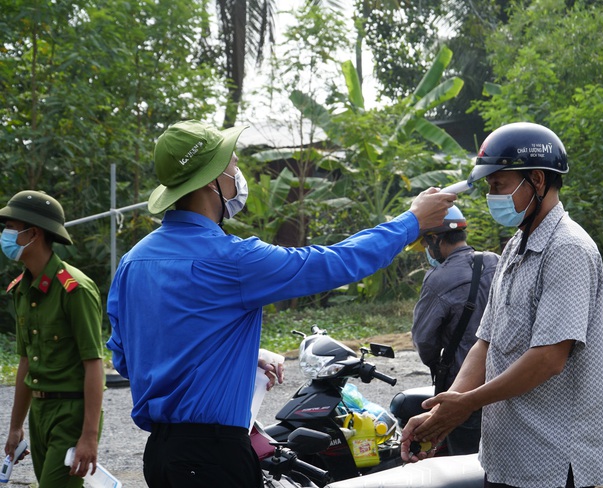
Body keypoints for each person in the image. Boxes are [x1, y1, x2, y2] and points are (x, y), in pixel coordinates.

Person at [105, 119, 456, 488]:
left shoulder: (132, 261)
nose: (238, 173)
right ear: (212, 182)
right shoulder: (232, 260)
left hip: (160, 457)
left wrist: (230, 354)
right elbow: (334, 262)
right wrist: (411, 222)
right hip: (213, 458)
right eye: (234, 166)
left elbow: (128, 359)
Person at [401, 122, 603, 488]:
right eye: (488, 187)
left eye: (498, 185)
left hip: (553, 462)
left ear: (536, 179)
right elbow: (485, 341)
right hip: (507, 457)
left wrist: (467, 403)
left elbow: (549, 358)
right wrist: (447, 408)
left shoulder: (567, 249)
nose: (492, 196)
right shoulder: (515, 247)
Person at [1, 190, 105, 487]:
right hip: (40, 413)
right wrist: (16, 427)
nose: (5, 234)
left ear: (33, 233)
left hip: (71, 414)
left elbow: (94, 364)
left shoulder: (75, 290)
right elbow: (25, 362)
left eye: (11, 227)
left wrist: (89, 435)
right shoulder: (22, 289)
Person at [409, 205, 499, 455]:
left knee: (464, 463)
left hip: (460, 390)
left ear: (435, 239)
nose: (428, 251)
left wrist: (437, 363)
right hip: (502, 383)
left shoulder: (438, 278)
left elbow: (424, 340)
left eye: (427, 245)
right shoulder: (495, 261)